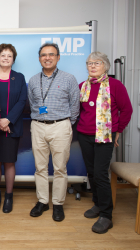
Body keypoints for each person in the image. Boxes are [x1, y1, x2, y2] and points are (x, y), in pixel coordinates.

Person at [77, 52, 132, 234]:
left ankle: (106, 215)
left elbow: (126, 110)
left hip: (105, 136)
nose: (92, 66)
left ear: (105, 66)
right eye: (89, 63)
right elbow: (78, 111)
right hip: (84, 135)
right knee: (92, 172)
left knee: (101, 174)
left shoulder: (115, 86)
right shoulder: (82, 86)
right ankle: (98, 204)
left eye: (97, 63)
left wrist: (118, 131)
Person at [28, 43, 80, 222]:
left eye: (51, 54)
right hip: (38, 126)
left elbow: (75, 105)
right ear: (39, 58)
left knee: (59, 168)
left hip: (61, 126)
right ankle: (43, 201)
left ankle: (58, 203)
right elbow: (32, 103)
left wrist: (66, 124)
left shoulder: (69, 78)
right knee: (40, 167)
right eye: (44, 55)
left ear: (58, 57)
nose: (47, 58)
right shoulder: (34, 80)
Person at [0, 44, 27, 213]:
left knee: (9, 162)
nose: (6, 58)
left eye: (9, 56)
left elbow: (22, 102)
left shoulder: (19, 77)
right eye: (3, 55)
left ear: (13, 59)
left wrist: (8, 120)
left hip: (12, 127)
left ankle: (9, 196)